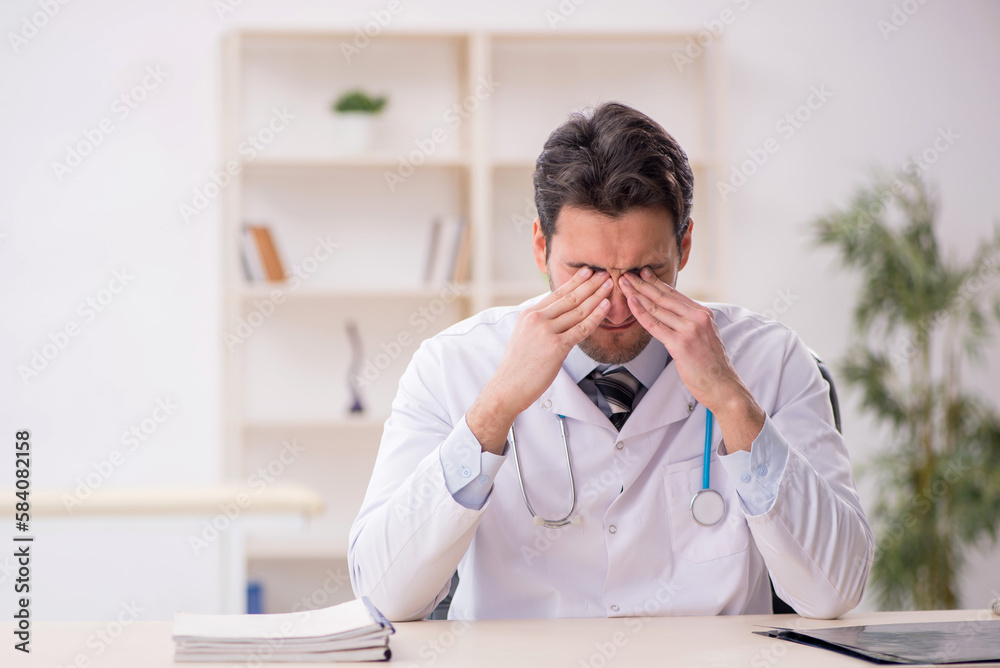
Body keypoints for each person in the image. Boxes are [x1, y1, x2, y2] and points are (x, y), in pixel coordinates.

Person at [348, 102, 873, 621]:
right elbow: (384, 594)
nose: (617, 306)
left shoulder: (773, 358)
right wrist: (496, 406)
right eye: (587, 272)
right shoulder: (451, 364)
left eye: (646, 270)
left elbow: (835, 590)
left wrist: (732, 401)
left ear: (684, 246)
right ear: (540, 247)